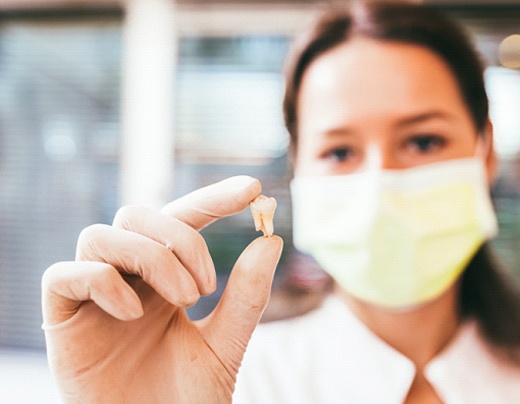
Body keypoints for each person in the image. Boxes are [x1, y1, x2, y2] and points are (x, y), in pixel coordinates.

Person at [41, 1, 520, 403]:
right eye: (339, 151)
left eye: (423, 142)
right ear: (298, 171)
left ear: (486, 151)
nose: (381, 184)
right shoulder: (238, 383)